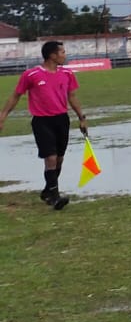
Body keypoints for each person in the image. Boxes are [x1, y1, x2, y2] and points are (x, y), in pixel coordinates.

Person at [0, 41, 88, 210]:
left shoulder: (67, 73)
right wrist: (3, 115)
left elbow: (72, 96)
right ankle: (55, 198)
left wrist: (82, 117)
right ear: (52, 55)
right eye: (62, 52)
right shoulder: (31, 75)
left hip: (62, 120)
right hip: (42, 121)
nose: (64, 55)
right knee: (51, 158)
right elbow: (16, 96)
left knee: (59, 159)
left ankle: (48, 191)